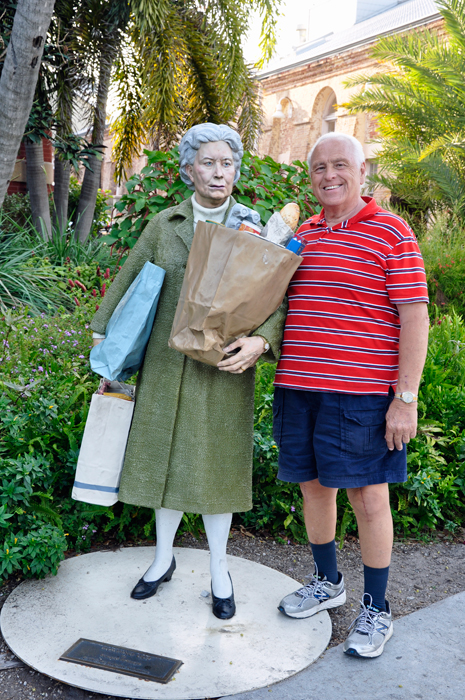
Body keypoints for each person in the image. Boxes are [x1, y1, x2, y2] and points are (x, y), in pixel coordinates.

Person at [91, 123, 286, 619]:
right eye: (208, 163)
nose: (218, 173)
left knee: (215, 464)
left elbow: (277, 294)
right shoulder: (165, 224)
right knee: (164, 458)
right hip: (166, 360)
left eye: (227, 163)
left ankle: (220, 570)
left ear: (236, 170)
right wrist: (103, 339)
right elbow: (130, 277)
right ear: (189, 169)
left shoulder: (255, 227)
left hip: (224, 367)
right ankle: (162, 559)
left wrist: (263, 339)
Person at [274, 132, 429, 657]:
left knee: (369, 498)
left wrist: (404, 398)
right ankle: (327, 582)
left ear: (364, 172)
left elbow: (415, 317)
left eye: (341, 165)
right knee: (314, 489)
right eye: (319, 168)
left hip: (361, 395)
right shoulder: (304, 234)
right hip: (299, 387)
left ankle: (377, 609)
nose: (329, 175)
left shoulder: (393, 233)